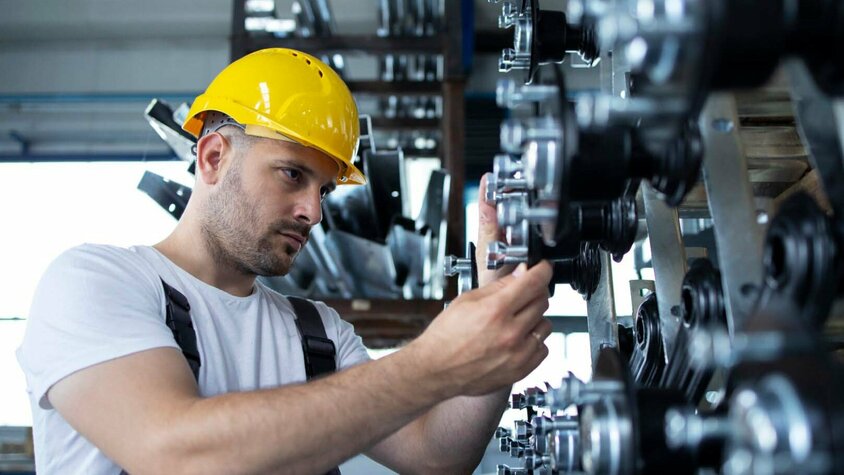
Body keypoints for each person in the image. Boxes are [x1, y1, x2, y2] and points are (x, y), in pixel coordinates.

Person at [17, 48, 553, 474]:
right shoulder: (96, 283)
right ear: (213, 157)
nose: (313, 212)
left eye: (325, 189)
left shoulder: (316, 333)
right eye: (293, 175)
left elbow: (437, 456)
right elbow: (176, 456)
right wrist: (432, 363)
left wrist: (493, 308)